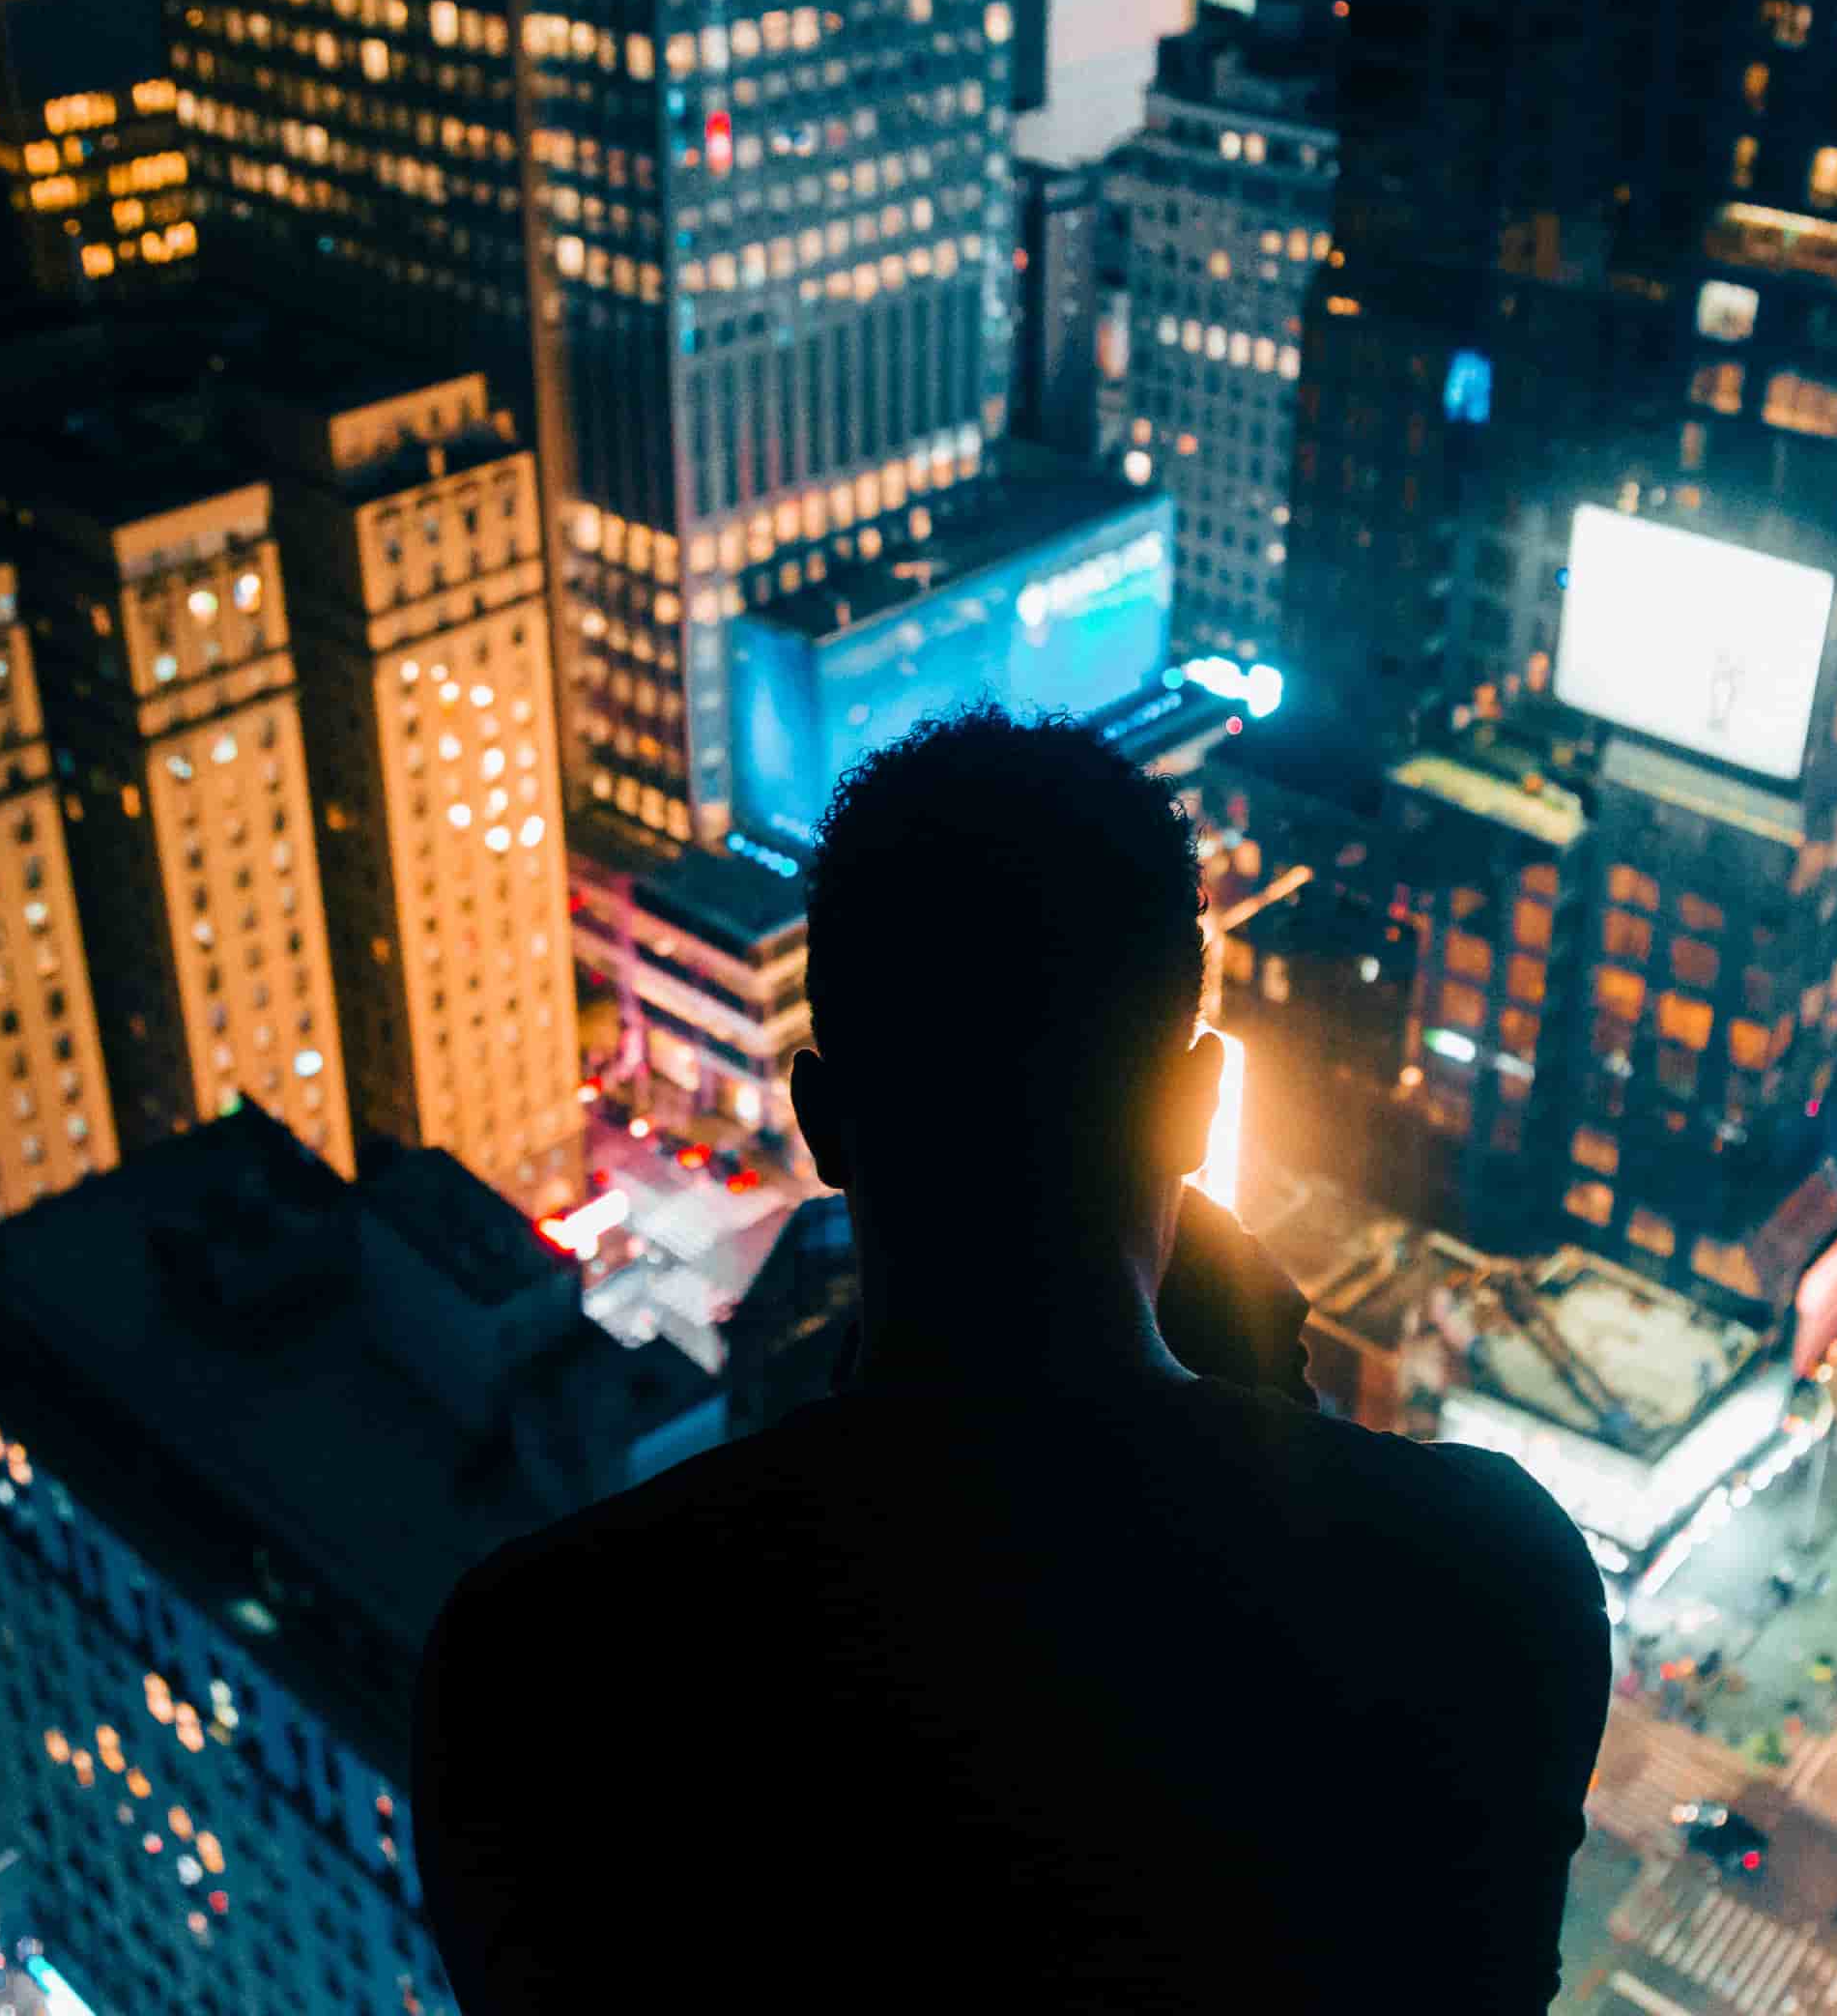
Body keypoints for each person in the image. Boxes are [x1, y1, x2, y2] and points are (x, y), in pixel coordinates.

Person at [413, 707, 1610, 2013]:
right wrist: (1269, 1394)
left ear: (822, 1124)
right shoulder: (1486, 1590)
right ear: (1201, 1104)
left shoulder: (538, 1681)